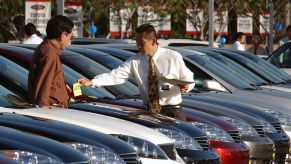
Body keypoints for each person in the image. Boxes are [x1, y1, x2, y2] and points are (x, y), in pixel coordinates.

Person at [78, 24, 195, 121]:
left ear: (153, 41)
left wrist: (186, 86)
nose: (138, 46)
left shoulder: (172, 57)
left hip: (172, 112)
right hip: (149, 112)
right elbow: (116, 76)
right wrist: (92, 82)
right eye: (136, 42)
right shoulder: (135, 60)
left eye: (141, 43)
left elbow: (189, 79)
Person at [28, 15, 74, 109]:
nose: (70, 41)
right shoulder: (50, 54)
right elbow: (43, 89)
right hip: (52, 112)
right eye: (70, 37)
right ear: (63, 35)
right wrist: (44, 114)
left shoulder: (48, 49)